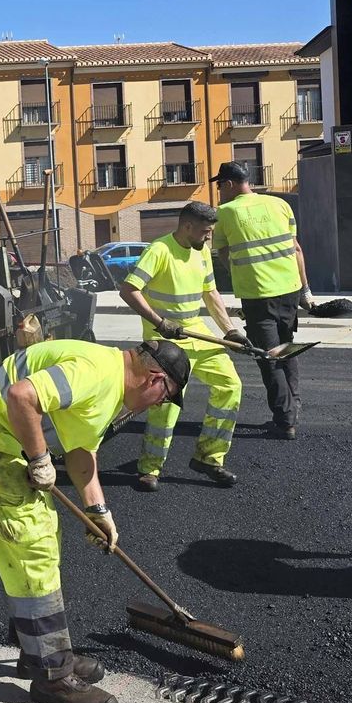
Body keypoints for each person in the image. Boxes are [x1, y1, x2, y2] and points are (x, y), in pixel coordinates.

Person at [0, 337, 191, 703]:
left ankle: (39, 650)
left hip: (4, 440)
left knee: (48, 537)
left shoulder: (110, 386)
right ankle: (52, 677)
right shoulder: (96, 373)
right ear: (154, 379)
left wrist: (99, 511)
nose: (159, 405)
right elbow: (21, 395)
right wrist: (40, 458)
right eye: (165, 397)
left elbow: (82, 452)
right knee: (34, 551)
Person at [118, 201, 243, 491]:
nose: (209, 237)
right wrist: (160, 322)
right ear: (187, 226)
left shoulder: (201, 253)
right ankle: (150, 469)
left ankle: (209, 457)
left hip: (196, 332)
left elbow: (210, 292)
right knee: (167, 405)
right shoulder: (159, 250)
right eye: (205, 231)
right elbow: (128, 290)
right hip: (165, 342)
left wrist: (230, 330)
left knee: (230, 386)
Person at [210, 161, 312, 439]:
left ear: (230, 184)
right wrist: (306, 291)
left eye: (219, 185)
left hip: (257, 295)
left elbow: (222, 253)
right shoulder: (280, 205)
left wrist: (240, 274)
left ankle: (285, 420)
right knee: (287, 349)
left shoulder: (226, 213)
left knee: (269, 357)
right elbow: (297, 249)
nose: (218, 190)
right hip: (289, 290)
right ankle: (294, 404)